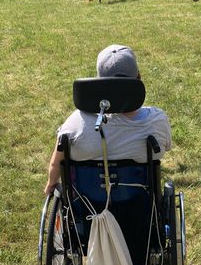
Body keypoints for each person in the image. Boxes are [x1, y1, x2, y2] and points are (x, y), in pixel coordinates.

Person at [45, 44, 171, 195]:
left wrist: (51, 185)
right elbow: (165, 148)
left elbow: (56, 164)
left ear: (100, 83)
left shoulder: (76, 123)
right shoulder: (157, 120)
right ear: (138, 77)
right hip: (141, 208)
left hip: (84, 208)